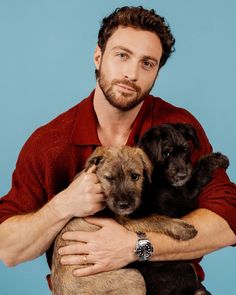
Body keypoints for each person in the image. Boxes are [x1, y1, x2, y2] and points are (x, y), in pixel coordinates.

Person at [0, 5, 235, 293]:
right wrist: (63, 205)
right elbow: (8, 250)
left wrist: (137, 246)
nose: (131, 74)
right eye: (122, 55)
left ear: (157, 71)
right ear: (98, 56)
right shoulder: (49, 143)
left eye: (147, 63)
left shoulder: (176, 129)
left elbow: (226, 222)